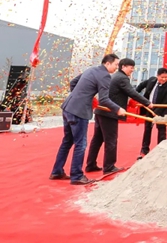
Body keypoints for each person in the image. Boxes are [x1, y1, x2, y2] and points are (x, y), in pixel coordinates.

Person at [50, 54, 125, 185]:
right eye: (116, 65)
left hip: (68, 107)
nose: (116, 68)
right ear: (107, 63)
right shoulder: (105, 76)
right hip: (79, 112)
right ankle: (77, 176)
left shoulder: (91, 69)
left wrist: (81, 97)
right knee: (81, 144)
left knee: (67, 141)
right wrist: (118, 109)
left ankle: (57, 171)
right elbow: (104, 99)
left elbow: (73, 83)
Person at [86, 58, 152, 174]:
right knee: (111, 140)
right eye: (131, 67)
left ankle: (90, 165)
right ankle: (109, 167)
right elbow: (132, 92)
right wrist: (147, 103)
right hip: (109, 113)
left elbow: (120, 94)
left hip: (101, 111)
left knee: (97, 139)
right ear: (123, 67)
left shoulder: (115, 76)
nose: (132, 70)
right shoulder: (122, 78)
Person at [136, 67, 167, 159]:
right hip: (149, 109)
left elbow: (165, 102)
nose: (164, 79)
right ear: (157, 76)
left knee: (161, 131)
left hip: (161, 111)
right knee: (147, 129)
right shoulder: (151, 80)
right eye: (162, 77)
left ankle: (161, 149)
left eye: (166, 77)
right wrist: (136, 96)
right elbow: (140, 86)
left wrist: (155, 114)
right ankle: (144, 149)